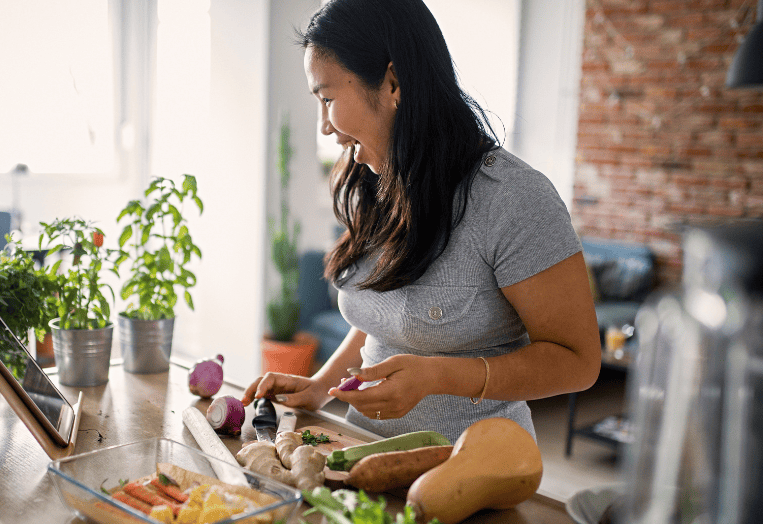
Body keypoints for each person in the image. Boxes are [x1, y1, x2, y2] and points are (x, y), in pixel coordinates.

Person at [242, 0, 601, 442]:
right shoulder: (373, 178)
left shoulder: (514, 199)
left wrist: (438, 377)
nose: (324, 127)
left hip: (473, 472)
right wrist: (321, 388)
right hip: (362, 452)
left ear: (393, 82)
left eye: (328, 99)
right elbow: (385, 314)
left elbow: (579, 362)